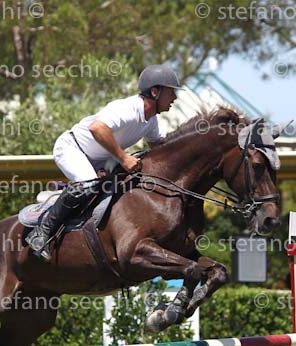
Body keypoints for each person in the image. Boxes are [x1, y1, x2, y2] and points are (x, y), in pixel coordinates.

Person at [25, 63, 181, 261]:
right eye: (171, 92)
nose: (174, 98)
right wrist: (124, 158)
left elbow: (158, 147)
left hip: (100, 158)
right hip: (72, 148)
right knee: (88, 183)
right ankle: (41, 233)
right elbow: (97, 128)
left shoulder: (151, 121)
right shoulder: (127, 108)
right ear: (155, 92)